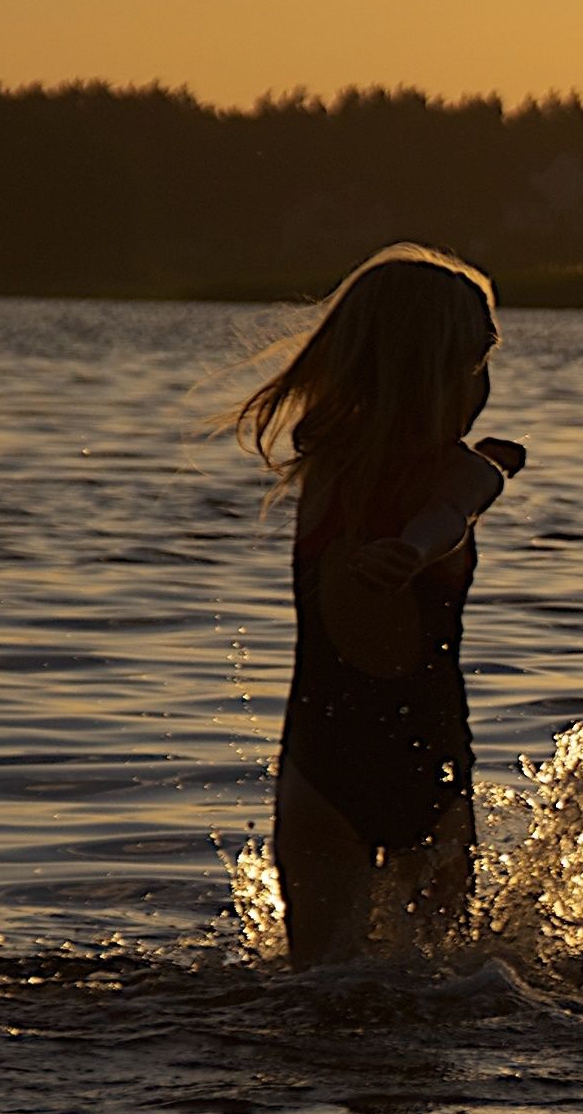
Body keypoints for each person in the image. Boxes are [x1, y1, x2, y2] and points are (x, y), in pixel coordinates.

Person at [218, 245, 526, 966]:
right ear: (445, 372)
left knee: (319, 987)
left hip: (318, 769)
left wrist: (416, 546)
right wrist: (417, 550)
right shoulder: (452, 468)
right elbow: (453, 505)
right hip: (426, 770)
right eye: (478, 366)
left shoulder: (327, 467)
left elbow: (453, 507)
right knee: (437, 986)